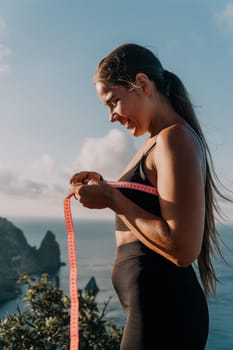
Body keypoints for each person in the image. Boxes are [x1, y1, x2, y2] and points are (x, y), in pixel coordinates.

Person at [69, 43, 228, 349]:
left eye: (113, 102)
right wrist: (104, 188)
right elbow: (145, 203)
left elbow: (183, 249)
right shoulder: (157, 142)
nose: (112, 117)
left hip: (165, 314)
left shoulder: (174, 138)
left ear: (142, 84)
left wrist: (112, 199)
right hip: (154, 311)